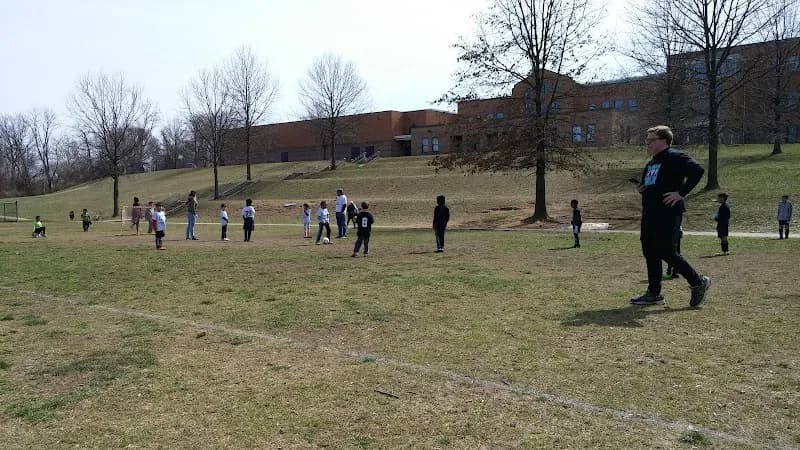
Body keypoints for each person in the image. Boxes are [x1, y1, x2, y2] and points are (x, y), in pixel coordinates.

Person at [630, 125, 710, 307]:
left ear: (663, 141)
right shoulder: (651, 163)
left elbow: (697, 171)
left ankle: (698, 282)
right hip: (650, 213)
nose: (647, 143)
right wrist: (642, 189)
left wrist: (681, 193)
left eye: (651, 140)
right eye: (647, 139)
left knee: (666, 251)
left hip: (668, 213)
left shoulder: (675, 157)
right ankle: (654, 293)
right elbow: (653, 186)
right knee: (650, 251)